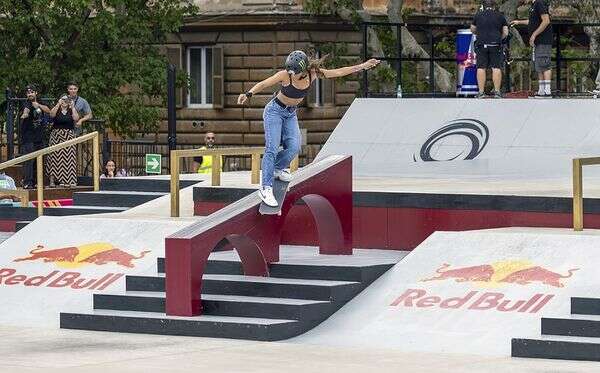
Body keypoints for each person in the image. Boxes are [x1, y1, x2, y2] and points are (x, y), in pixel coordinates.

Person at [237, 51, 380, 207]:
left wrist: (363, 66)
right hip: (274, 112)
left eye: (297, 73)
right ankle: (266, 187)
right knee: (271, 148)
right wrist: (248, 93)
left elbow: (339, 72)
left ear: (304, 70)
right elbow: (265, 83)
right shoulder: (285, 75)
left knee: (294, 148)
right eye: (291, 72)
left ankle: (277, 168)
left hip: (291, 114)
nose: (294, 75)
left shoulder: (313, 74)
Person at [511, 0, 552, 98]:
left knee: (545, 64)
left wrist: (534, 34)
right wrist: (519, 22)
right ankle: (541, 90)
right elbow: (533, 21)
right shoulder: (533, 6)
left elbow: (546, 21)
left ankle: (547, 90)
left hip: (543, 40)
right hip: (537, 41)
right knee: (539, 64)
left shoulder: (539, 3)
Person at [471, 0, 509, 98]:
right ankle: (497, 92)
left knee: (481, 67)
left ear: (483, 6)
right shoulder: (500, 16)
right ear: (494, 7)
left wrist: (480, 34)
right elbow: (505, 32)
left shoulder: (478, 15)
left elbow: (472, 29)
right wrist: (499, 38)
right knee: (496, 67)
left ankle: (481, 92)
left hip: (481, 44)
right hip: (495, 44)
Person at [20, 84, 50, 189]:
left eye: (32, 92)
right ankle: (27, 182)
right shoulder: (25, 102)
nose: (30, 94)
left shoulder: (41, 102)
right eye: (28, 92)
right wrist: (25, 114)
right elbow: (26, 110)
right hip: (28, 137)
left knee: (39, 160)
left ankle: (38, 182)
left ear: (36, 93)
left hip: (39, 136)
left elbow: (48, 111)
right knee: (29, 160)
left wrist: (38, 105)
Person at [47, 95, 79, 187]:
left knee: (69, 158)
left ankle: (68, 181)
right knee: (54, 158)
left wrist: (72, 107)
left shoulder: (71, 110)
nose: (65, 101)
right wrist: (58, 104)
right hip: (56, 135)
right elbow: (51, 115)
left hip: (68, 135)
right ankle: (52, 181)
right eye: (63, 99)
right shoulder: (56, 108)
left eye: (67, 100)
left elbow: (76, 118)